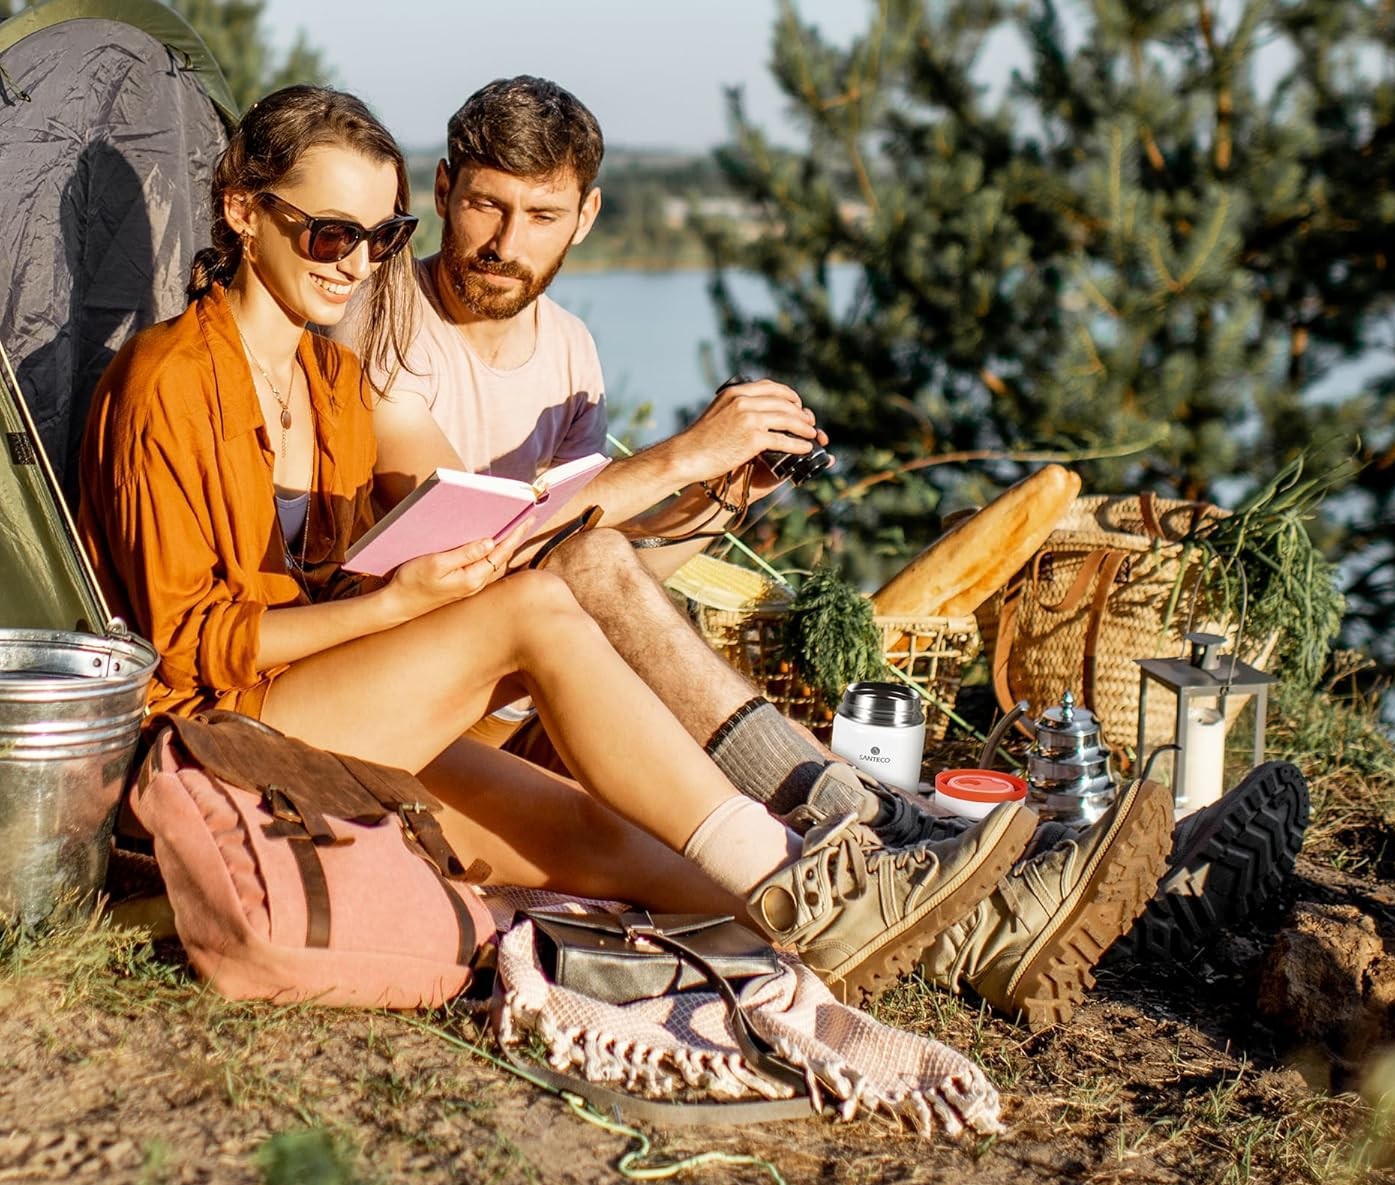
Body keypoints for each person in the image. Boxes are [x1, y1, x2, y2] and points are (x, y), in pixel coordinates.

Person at [73, 83, 1150, 1010]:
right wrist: (405, 606)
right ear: (240, 211)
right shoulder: (170, 382)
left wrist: (696, 505)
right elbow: (183, 651)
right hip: (214, 730)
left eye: (381, 237)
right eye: (328, 235)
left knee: (609, 849)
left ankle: (963, 938)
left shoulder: (327, 380)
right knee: (538, 608)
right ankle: (846, 880)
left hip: (332, 700)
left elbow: (410, 555)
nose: (356, 264)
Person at [339, 75, 1307, 1024]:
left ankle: (955, 859)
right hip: (430, 715)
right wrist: (679, 454)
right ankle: (983, 891)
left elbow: (596, 580)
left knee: (611, 591)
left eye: (539, 215)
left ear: (586, 216)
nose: (506, 243)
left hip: (537, 696)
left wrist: (714, 506)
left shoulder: (569, 348)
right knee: (732, 859)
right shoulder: (380, 320)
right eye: (485, 207)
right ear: (441, 192)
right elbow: (478, 555)